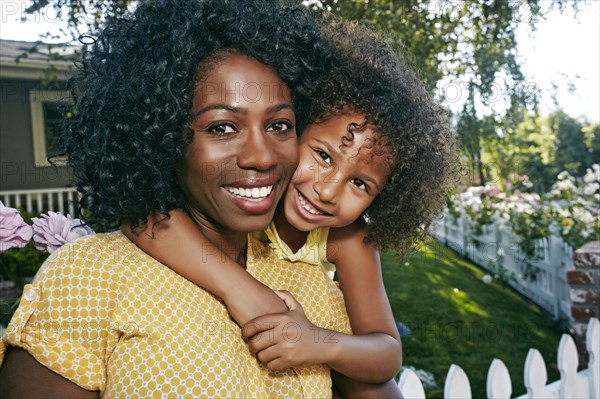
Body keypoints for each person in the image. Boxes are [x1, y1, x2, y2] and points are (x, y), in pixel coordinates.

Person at [0, 0, 399, 397]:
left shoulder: (312, 283)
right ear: (162, 134)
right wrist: (240, 289)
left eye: (279, 124)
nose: (261, 156)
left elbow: (379, 367)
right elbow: (145, 214)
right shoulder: (91, 275)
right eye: (222, 127)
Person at [125, 15, 458, 388]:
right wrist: (244, 291)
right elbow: (140, 213)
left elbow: (385, 353)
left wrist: (319, 343)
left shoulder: (348, 240)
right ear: (297, 129)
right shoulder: (244, 195)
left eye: (361, 184)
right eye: (323, 156)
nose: (328, 191)